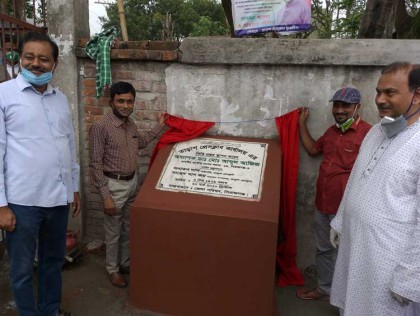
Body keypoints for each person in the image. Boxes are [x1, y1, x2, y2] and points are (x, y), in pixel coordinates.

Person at [330, 62, 420, 316]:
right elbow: (355, 180)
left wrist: (411, 278)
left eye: (390, 93)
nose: (380, 99)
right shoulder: (376, 132)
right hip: (357, 249)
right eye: (378, 92)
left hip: (391, 265)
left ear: (417, 94)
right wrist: (340, 220)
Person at [0, 32, 80, 316]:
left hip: (57, 199)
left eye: (44, 59)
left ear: (54, 64)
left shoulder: (60, 99)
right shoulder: (4, 95)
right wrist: (1, 205)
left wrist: (74, 187)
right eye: (30, 57)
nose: (36, 63)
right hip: (22, 201)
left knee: (52, 262)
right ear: (20, 59)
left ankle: (50, 311)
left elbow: (68, 145)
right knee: (21, 269)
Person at [296, 88, 372, 301]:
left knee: (348, 253)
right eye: (336, 105)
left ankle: (349, 299)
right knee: (323, 250)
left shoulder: (369, 134)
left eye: (345, 106)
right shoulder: (331, 133)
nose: (339, 110)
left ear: (358, 107)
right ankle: (325, 289)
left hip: (348, 208)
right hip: (323, 203)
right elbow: (312, 149)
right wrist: (302, 124)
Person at [89, 81, 165, 288]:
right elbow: (95, 163)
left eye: (129, 101)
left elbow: (141, 142)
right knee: (113, 232)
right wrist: (105, 195)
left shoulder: (130, 124)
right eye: (120, 101)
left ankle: (124, 263)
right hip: (113, 186)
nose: (125, 105)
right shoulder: (101, 127)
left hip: (132, 183)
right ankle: (112, 270)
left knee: (127, 228)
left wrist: (159, 125)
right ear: (111, 102)